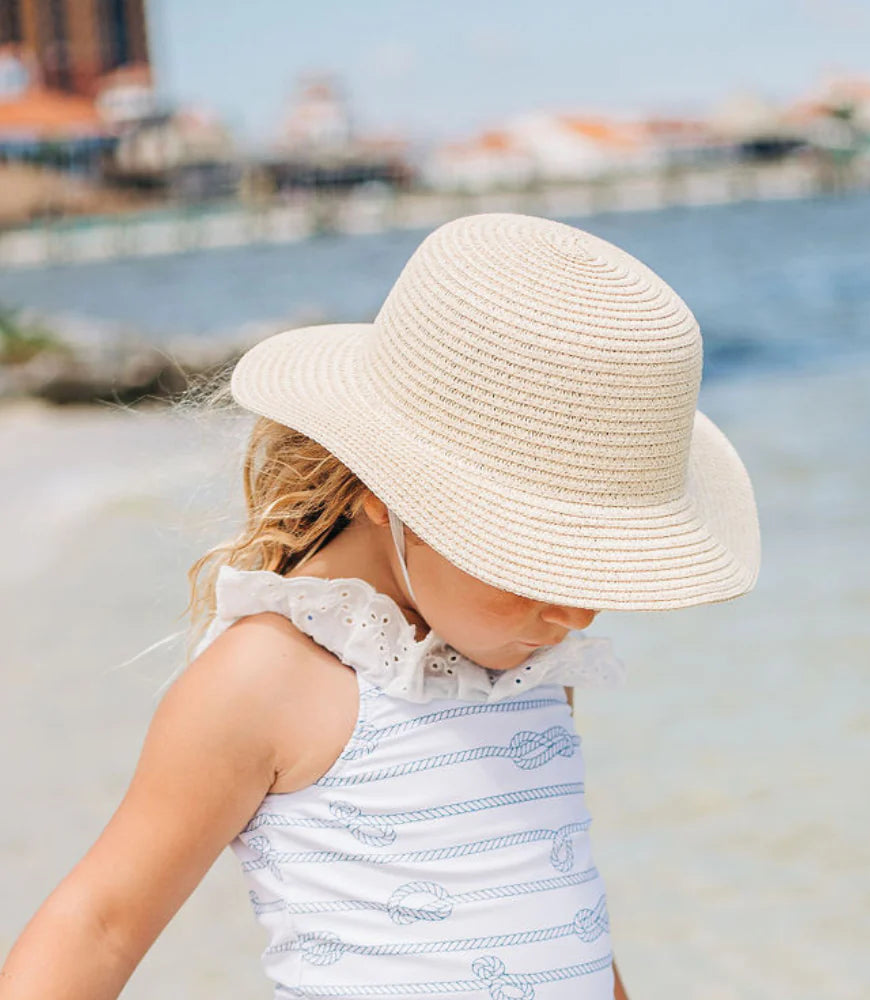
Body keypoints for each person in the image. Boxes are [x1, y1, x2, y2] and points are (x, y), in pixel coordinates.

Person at [0, 212, 760, 999]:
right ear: (384, 488)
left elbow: (564, 923)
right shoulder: (267, 680)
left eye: (596, 570)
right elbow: (99, 924)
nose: (576, 618)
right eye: (534, 565)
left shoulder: (530, 667)